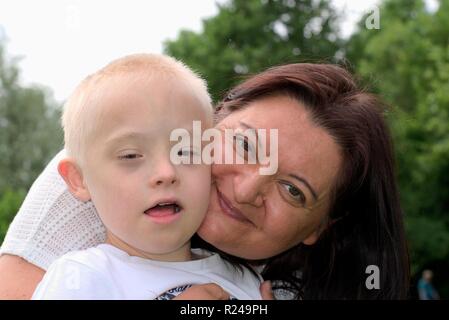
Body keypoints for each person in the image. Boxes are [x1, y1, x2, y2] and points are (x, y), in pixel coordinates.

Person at [0, 62, 410, 299]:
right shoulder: (106, 176)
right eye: (247, 145)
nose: (247, 190)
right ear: (214, 121)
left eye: (293, 190)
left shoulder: (263, 288)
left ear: (320, 228)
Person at [30, 53, 262, 299]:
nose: (166, 173)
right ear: (78, 179)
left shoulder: (245, 280)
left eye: (185, 151)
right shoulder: (81, 277)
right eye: (130, 156)